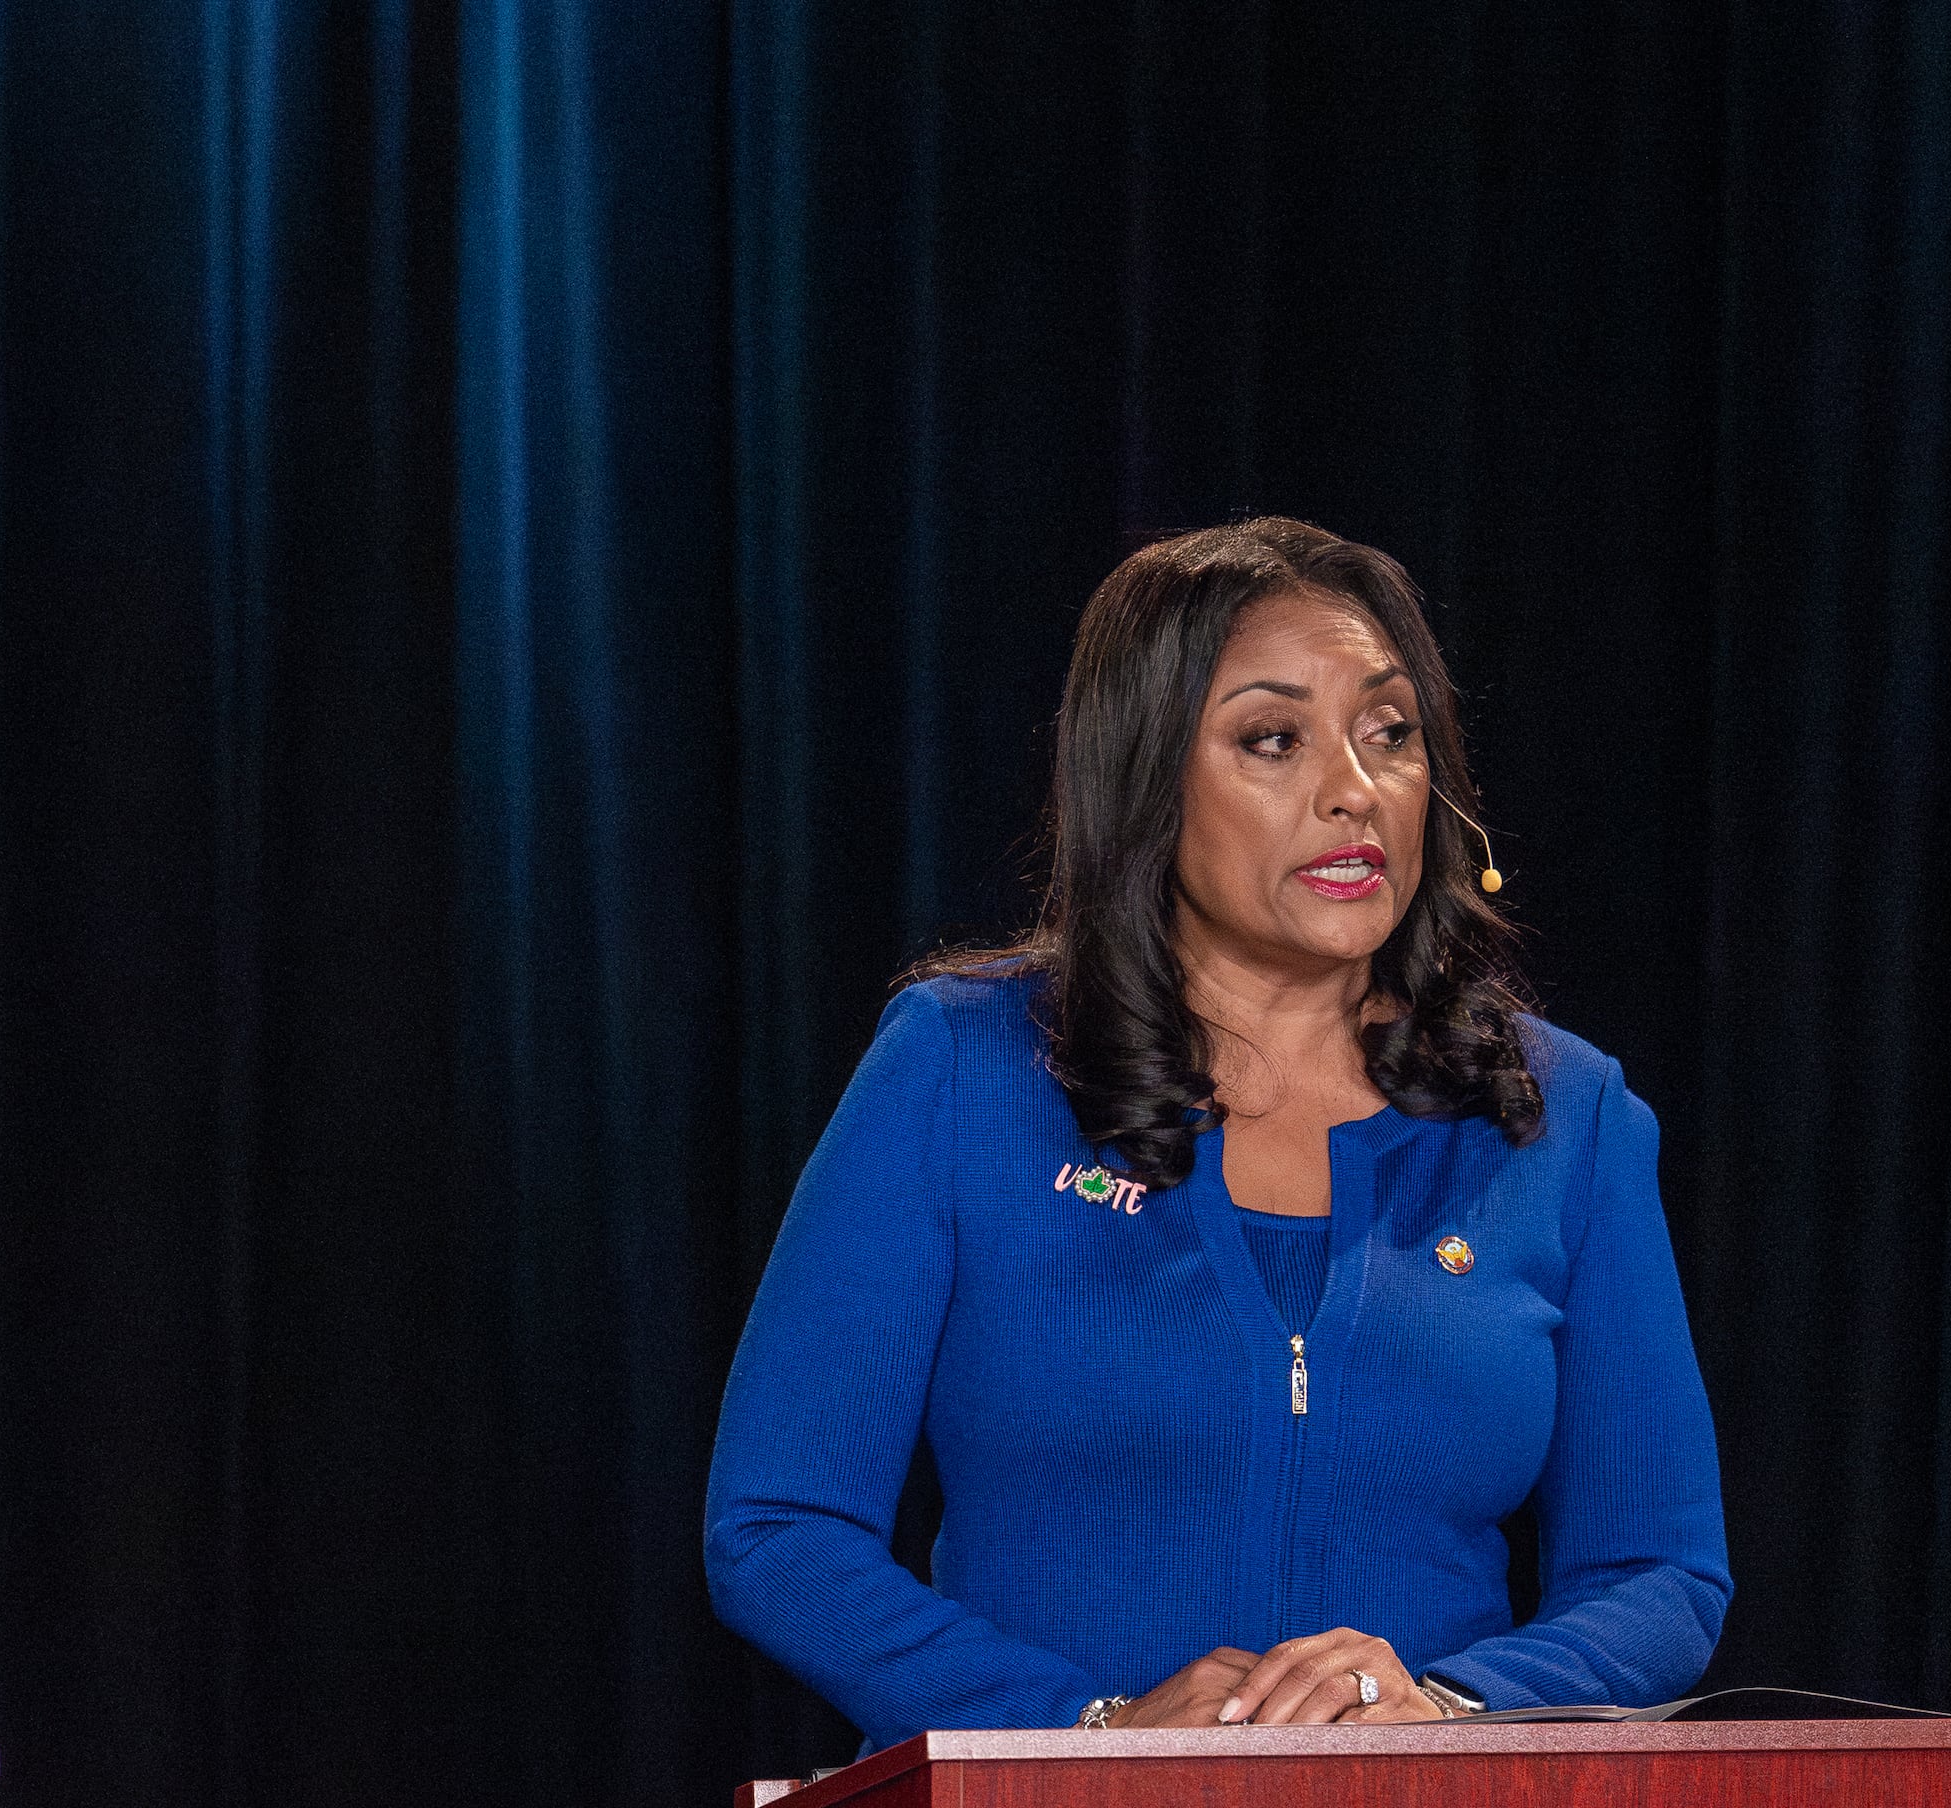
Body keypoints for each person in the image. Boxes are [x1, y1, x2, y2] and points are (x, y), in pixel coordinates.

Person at [702, 518, 1727, 1745]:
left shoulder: (1564, 1118)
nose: (1355, 788)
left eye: (1391, 733)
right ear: (1147, 777)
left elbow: (1661, 1573)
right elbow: (779, 1527)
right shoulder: (961, 1068)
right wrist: (1088, 1726)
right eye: (1273, 739)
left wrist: (1449, 1707)